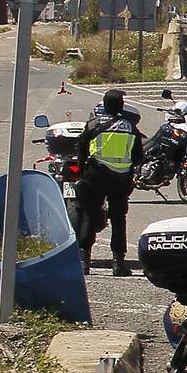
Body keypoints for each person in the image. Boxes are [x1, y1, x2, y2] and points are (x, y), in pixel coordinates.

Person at [75, 89, 144, 275]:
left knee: (89, 215)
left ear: (104, 106)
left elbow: (81, 150)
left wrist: (82, 174)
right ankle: (118, 264)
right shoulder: (130, 127)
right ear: (121, 106)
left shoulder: (93, 125)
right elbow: (138, 156)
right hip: (121, 180)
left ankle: (84, 262)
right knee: (118, 219)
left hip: (95, 176)